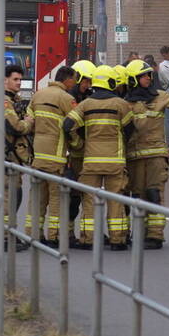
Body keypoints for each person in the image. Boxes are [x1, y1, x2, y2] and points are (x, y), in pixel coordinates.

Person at [125, 59, 169, 249]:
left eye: (149, 74)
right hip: (134, 158)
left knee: (155, 193)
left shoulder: (161, 96)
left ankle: (155, 236)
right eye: (144, 76)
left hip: (156, 157)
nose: (149, 78)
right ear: (133, 79)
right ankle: (139, 235)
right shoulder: (125, 103)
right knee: (138, 197)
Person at [62, 65, 134, 251]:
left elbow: (67, 125)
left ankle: (88, 239)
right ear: (110, 82)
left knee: (89, 200)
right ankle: (117, 240)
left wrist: (79, 143)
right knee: (115, 200)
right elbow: (130, 129)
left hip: (91, 160)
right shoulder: (121, 104)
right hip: (115, 161)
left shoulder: (86, 104)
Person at [28, 66, 79, 247]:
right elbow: (74, 125)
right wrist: (77, 145)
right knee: (56, 199)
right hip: (56, 157)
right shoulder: (66, 98)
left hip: (38, 155)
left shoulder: (38, 95)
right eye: (74, 79)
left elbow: (29, 123)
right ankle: (54, 235)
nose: (75, 83)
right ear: (66, 79)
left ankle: (32, 233)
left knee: (37, 198)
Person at [65, 60, 96, 240]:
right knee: (73, 197)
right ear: (78, 79)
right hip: (73, 154)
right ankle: (68, 232)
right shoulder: (71, 99)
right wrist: (78, 144)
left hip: (85, 154)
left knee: (85, 195)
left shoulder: (85, 97)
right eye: (86, 81)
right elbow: (68, 127)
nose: (88, 85)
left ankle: (83, 233)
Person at [4, 64, 34, 250]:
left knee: (15, 196)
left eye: (20, 79)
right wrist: (28, 122)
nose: (19, 83)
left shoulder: (14, 100)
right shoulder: (6, 102)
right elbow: (16, 127)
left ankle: (9, 233)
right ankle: (6, 237)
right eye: (15, 79)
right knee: (9, 198)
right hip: (7, 157)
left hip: (13, 158)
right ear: (5, 80)